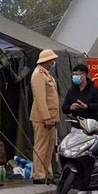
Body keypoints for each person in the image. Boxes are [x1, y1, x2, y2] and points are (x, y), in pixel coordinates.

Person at [30, 49, 61, 185]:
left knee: (49, 148)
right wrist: (46, 118)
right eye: (51, 60)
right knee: (41, 147)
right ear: (46, 61)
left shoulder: (46, 74)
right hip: (43, 119)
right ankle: (39, 174)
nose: (53, 62)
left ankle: (47, 173)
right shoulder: (38, 75)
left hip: (51, 118)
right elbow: (40, 99)